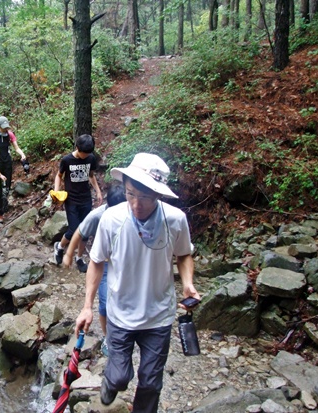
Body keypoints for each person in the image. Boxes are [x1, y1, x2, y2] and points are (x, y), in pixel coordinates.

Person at [74, 153, 200, 413]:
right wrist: (87, 305)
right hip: (120, 313)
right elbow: (96, 261)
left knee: (151, 383)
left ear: (158, 195)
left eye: (144, 198)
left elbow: (184, 253)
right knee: (120, 376)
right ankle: (112, 380)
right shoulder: (112, 219)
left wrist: (188, 283)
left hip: (159, 316)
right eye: (131, 194)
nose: (136, 204)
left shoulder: (175, 220)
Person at [62, 184, 125, 355]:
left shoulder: (133, 212)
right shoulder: (97, 215)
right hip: (103, 263)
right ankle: (108, 337)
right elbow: (78, 232)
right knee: (104, 304)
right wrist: (69, 254)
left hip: (124, 262)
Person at [53, 134, 102, 265]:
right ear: (77, 148)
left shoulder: (91, 158)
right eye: (83, 153)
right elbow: (59, 176)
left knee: (85, 230)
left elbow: (91, 175)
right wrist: (56, 191)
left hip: (85, 198)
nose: (85, 156)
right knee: (73, 229)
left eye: (88, 154)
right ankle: (60, 247)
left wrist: (98, 191)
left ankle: (79, 258)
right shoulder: (67, 160)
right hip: (71, 200)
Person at [0, 116, 27, 224]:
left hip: (7, 162)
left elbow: (16, 147)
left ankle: (4, 202)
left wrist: (22, 154)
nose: (5, 129)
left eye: (6, 127)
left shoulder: (10, 134)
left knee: (7, 186)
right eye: (3, 128)